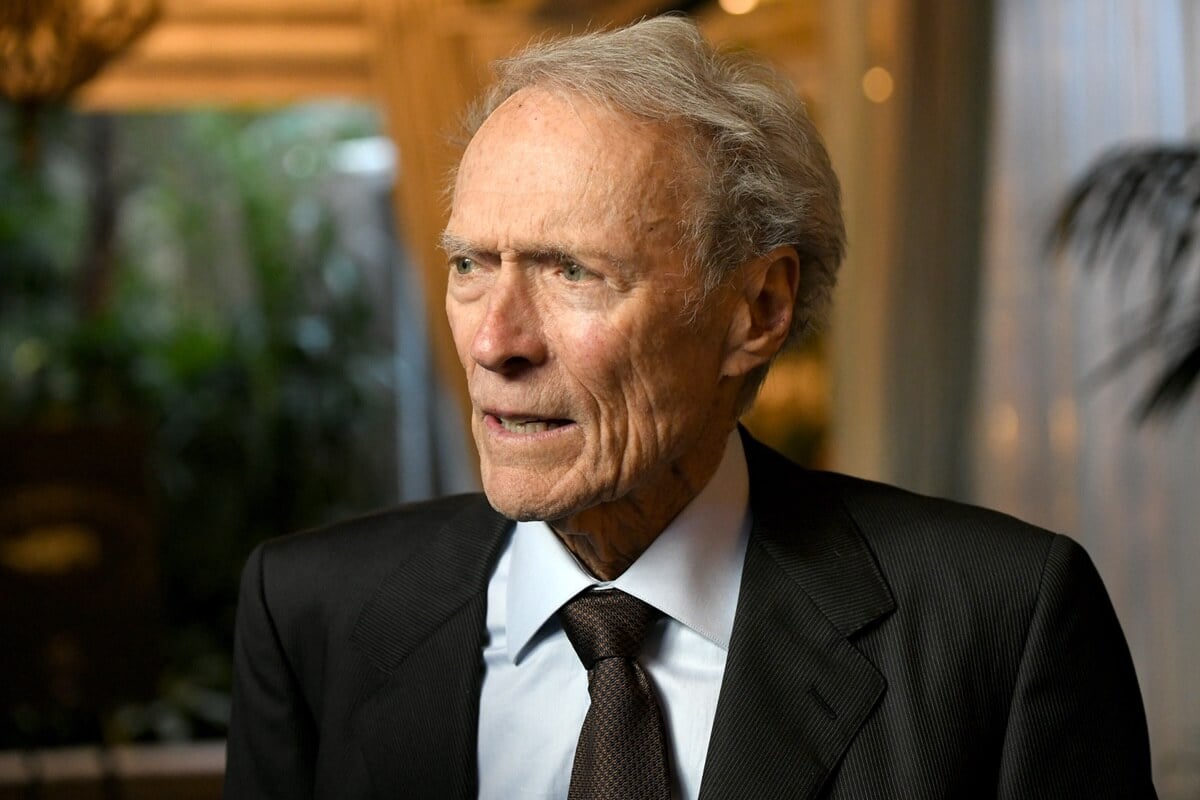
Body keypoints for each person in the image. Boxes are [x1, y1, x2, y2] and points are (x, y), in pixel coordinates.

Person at [223, 16, 1156, 800]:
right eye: (471, 265)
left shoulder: (1001, 623)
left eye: (571, 271)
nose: (491, 341)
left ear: (756, 310)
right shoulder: (314, 614)